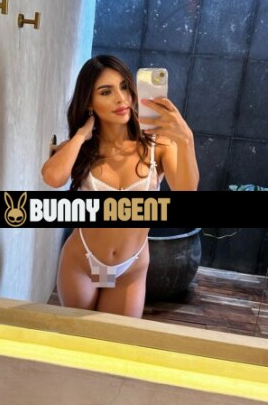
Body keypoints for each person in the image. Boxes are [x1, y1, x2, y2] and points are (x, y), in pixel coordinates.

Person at [41, 55, 199, 318]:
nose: (121, 98)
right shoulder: (82, 148)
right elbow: (52, 177)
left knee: (113, 339)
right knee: (78, 337)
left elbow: (187, 192)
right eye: (106, 92)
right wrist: (80, 135)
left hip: (130, 268)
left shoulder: (157, 145)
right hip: (82, 262)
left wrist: (187, 140)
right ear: (89, 102)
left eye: (124, 86)